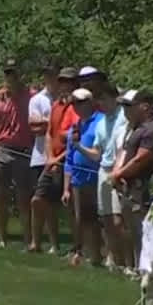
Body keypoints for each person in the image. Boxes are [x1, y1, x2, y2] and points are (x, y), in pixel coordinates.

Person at [111, 90, 153, 274]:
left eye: (130, 106)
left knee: (145, 231)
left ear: (145, 106)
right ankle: (137, 267)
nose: (126, 111)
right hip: (131, 188)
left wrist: (119, 174)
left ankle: (147, 270)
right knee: (133, 230)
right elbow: (124, 153)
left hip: (144, 190)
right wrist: (117, 173)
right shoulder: (135, 129)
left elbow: (142, 158)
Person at [0, 58, 35, 249]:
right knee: (1, 196)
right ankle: (2, 239)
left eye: (13, 73)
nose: (10, 77)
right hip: (3, 148)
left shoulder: (31, 95)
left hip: (24, 150)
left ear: (19, 74)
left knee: (24, 196)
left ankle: (28, 239)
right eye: (7, 73)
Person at [39, 66, 81, 256]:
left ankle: (77, 246)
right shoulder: (56, 105)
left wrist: (57, 159)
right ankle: (54, 245)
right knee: (42, 200)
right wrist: (50, 158)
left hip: (69, 161)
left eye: (69, 81)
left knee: (72, 206)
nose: (65, 85)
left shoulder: (78, 108)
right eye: (62, 81)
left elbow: (76, 139)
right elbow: (49, 133)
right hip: (53, 161)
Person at [62, 87, 104, 266]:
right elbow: (69, 159)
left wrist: (78, 146)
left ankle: (100, 255)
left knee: (98, 219)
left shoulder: (100, 121)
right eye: (74, 104)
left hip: (95, 177)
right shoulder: (76, 126)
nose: (76, 107)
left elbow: (99, 151)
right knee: (81, 219)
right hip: (77, 179)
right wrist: (66, 188)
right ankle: (85, 253)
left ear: (90, 102)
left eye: (80, 103)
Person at [94, 83, 131, 270]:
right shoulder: (101, 122)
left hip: (118, 170)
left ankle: (127, 261)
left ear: (114, 99)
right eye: (99, 100)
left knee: (118, 220)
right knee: (106, 219)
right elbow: (97, 153)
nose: (101, 103)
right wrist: (77, 146)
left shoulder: (123, 116)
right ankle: (114, 258)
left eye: (105, 99)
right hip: (103, 170)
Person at [26, 64, 61, 252]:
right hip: (40, 156)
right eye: (47, 75)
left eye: (53, 75)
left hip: (59, 156)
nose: (50, 79)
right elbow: (34, 127)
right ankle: (36, 242)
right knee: (38, 201)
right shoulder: (37, 99)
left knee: (52, 204)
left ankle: (54, 244)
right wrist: (53, 124)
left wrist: (46, 123)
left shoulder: (64, 99)